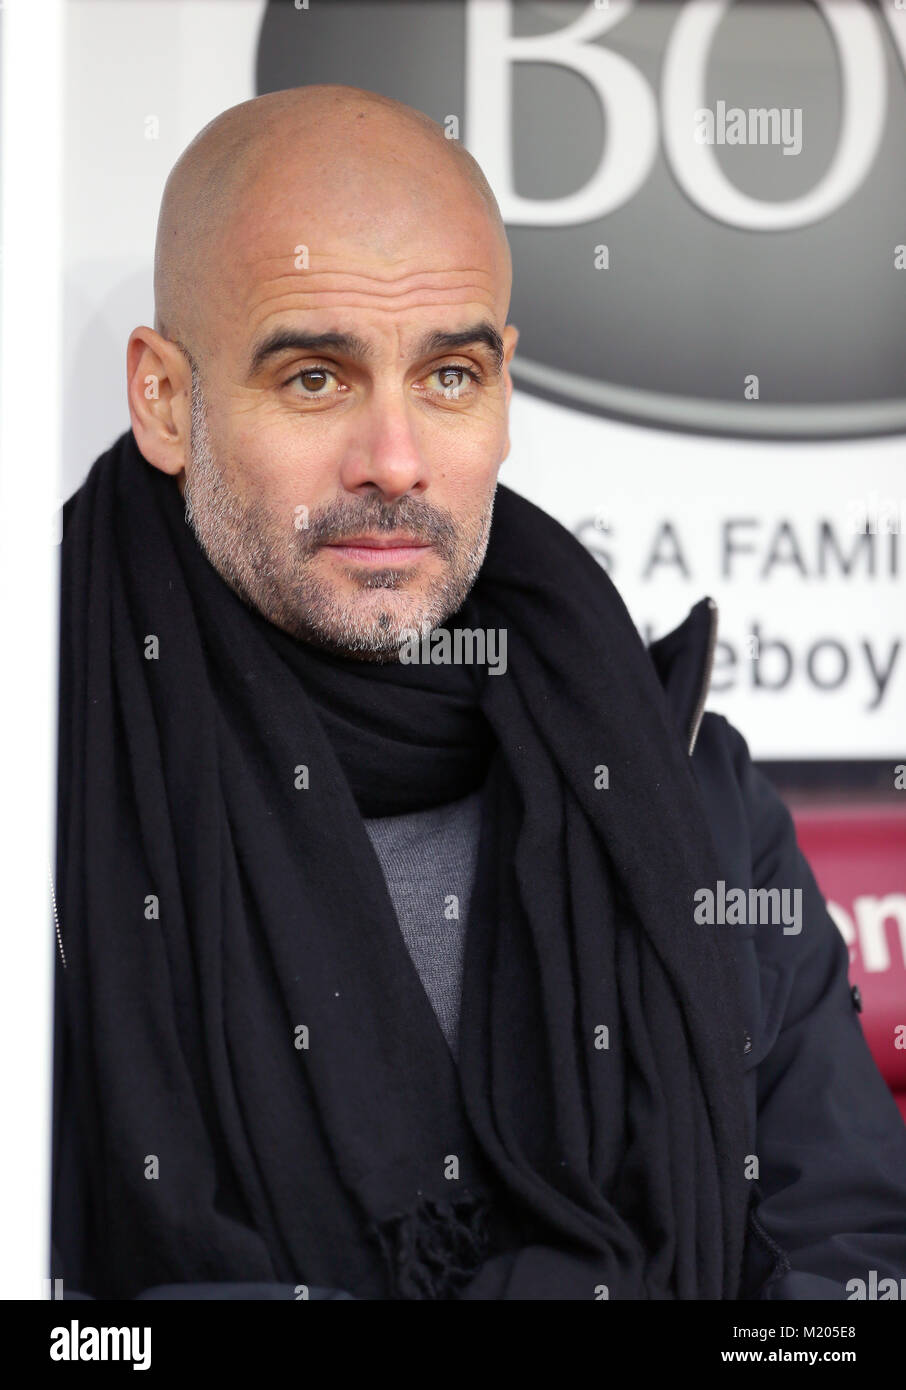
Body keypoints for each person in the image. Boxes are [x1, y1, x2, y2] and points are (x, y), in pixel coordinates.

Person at [51, 84, 906, 1301]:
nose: (394, 461)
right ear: (164, 400)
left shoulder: (684, 792)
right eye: (314, 378)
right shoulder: (43, 780)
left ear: (504, 388)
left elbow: (855, 1259)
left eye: (449, 375)